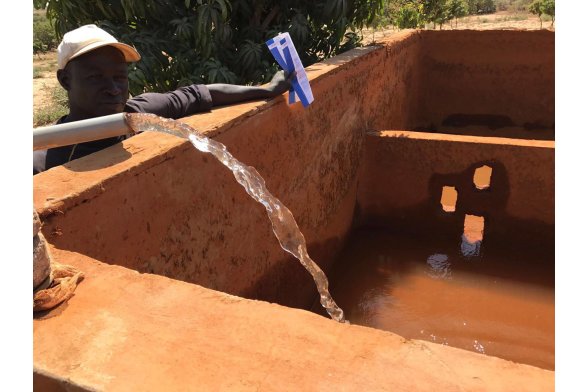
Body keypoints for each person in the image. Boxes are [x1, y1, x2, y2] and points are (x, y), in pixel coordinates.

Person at [33, 24, 294, 174]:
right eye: (95, 78)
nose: (113, 89)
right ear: (65, 80)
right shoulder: (44, 161)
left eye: (120, 77)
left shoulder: (138, 112)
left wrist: (266, 90)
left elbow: (199, 94)